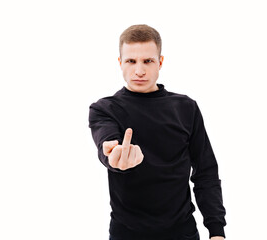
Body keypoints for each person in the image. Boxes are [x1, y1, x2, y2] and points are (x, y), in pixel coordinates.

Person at [88, 24, 226, 240]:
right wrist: (115, 158)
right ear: (120, 63)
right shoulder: (104, 109)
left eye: (148, 61)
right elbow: (107, 144)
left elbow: (206, 171)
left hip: (182, 233)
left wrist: (216, 231)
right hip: (127, 235)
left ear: (160, 62)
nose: (139, 70)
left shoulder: (186, 107)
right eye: (131, 61)